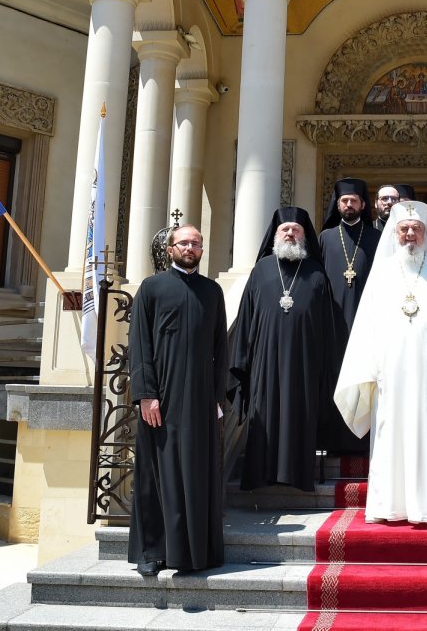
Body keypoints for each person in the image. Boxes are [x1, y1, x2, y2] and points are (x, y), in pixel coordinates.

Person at [334, 201, 427, 524]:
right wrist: (368, 368)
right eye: (404, 229)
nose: (410, 234)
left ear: (425, 233)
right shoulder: (381, 273)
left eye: (416, 229)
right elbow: (366, 323)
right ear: (395, 234)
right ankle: (390, 506)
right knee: (390, 431)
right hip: (391, 371)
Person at [128, 224, 229, 575]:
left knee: (197, 474)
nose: (190, 247)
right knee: (158, 473)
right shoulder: (152, 289)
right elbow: (140, 345)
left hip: (201, 400)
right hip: (162, 400)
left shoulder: (212, 292)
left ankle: (195, 554)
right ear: (170, 249)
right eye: (184, 242)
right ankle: (152, 553)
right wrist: (145, 395)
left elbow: (221, 348)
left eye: (196, 243)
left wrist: (218, 399)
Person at [231, 207, 340, 493]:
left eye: (296, 230)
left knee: (300, 415)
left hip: (305, 362)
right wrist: (241, 360)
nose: (290, 233)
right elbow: (245, 318)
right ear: (275, 234)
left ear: (304, 236)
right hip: (264, 361)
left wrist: (326, 363)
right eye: (285, 229)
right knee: (263, 413)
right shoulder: (262, 269)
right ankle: (259, 476)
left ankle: (297, 476)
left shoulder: (317, 272)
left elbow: (327, 325)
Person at [320, 177, 379, 329]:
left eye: (353, 201)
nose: (349, 205)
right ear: (337, 205)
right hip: (331, 312)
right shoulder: (325, 237)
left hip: (368, 312)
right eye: (344, 201)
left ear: (363, 204)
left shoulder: (376, 237)